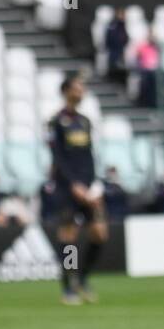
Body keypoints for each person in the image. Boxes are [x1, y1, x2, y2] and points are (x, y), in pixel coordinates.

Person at [46, 73, 108, 306]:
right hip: (67, 188)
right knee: (69, 238)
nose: (81, 91)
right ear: (66, 91)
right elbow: (58, 158)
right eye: (77, 87)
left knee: (99, 234)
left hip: (87, 187)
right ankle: (68, 285)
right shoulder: (55, 122)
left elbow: (90, 156)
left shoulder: (85, 121)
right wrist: (74, 185)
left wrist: (92, 185)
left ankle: (82, 278)